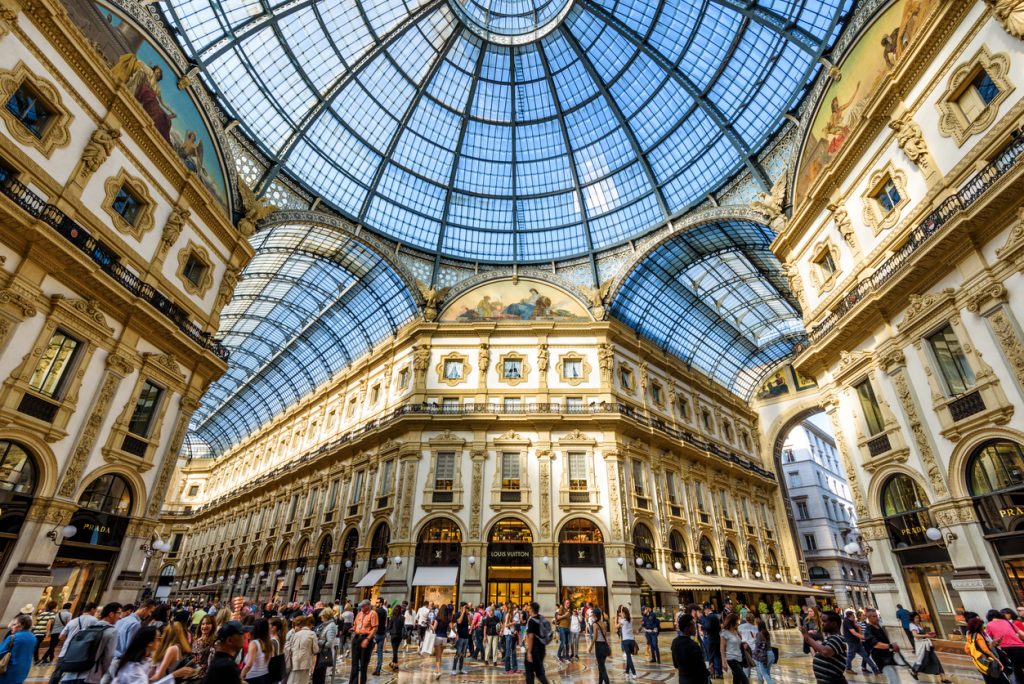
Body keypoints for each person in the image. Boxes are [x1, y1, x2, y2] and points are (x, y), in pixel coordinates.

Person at [60, 602, 120, 684]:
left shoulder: (87, 628)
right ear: (111, 614)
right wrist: (103, 674)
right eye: (118, 613)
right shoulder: (112, 631)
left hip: (69, 675)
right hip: (89, 676)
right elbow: (108, 657)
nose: (119, 617)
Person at [800, 610, 847, 684]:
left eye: (824, 621)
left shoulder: (838, 638)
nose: (822, 624)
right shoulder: (831, 638)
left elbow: (826, 652)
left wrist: (808, 638)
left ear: (834, 624)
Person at [908, 611, 950, 684]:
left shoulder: (918, 626)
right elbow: (915, 635)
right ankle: (914, 672)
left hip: (927, 646)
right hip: (922, 648)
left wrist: (928, 635)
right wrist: (926, 635)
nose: (917, 619)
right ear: (912, 619)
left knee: (936, 660)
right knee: (922, 661)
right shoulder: (912, 625)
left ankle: (943, 678)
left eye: (918, 617)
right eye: (915, 618)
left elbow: (922, 635)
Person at [985, 608, 1024, 683]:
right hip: (1021, 647)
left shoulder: (989, 625)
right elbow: (1021, 633)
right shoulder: (1007, 622)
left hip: (1007, 650)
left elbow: (989, 642)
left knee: (1016, 671)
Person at [862, 609, 899, 684]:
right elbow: (876, 644)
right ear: (869, 618)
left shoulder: (878, 626)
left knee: (894, 676)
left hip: (887, 654)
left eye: (877, 616)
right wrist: (891, 646)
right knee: (891, 677)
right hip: (880, 657)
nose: (877, 618)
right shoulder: (868, 630)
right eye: (874, 616)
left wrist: (891, 647)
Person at [0, 615, 38, 684]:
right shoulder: (33, 638)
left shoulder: (13, 637)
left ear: (20, 625)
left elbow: (1, 652)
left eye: (14, 624)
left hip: (9, 670)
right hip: (24, 670)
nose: (12, 627)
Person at [672, 614, 709, 684]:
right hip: (695, 680)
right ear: (687, 628)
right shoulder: (693, 646)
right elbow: (701, 668)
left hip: (682, 679)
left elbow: (675, 664)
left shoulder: (675, 642)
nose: (695, 628)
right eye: (693, 626)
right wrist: (708, 671)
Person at [966, 616, 1005, 684]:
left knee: (989, 680)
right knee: (997, 680)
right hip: (989, 662)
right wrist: (997, 660)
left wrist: (992, 643)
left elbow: (967, 649)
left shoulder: (970, 635)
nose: (983, 627)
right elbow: (985, 650)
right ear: (978, 627)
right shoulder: (978, 636)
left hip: (980, 663)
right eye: (982, 626)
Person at [841, 609, 877, 675]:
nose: (854, 617)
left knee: (865, 656)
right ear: (849, 616)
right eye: (853, 616)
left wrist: (855, 623)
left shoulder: (852, 621)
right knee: (851, 656)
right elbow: (853, 632)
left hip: (856, 641)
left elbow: (858, 628)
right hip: (852, 642)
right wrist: (863, 637)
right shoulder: (847, 621)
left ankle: (875, 670)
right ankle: (848, 668)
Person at [347, 601, 376, 684]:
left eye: (363, 607)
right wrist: (353, 628)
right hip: (356, 638)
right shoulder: (359, 613)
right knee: (354, 663)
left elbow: (374, 628)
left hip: (366, 639)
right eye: (361, 607)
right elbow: (356, 625)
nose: (361, 608)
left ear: (368, 606)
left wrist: (367, 639)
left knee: (363, 664)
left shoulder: (372, 613)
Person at [183, 616, 216, 683]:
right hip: (191, 674)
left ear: (213, 626)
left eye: (208, 623)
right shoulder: (195, 640)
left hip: (203, 677)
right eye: (203, 624)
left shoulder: (214, 642)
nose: (204, 626)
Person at [285, 616, 318, 684]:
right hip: (306, 661)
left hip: (294, 660)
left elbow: (288, 647)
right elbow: (316, 650)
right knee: (303, 681)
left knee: (293, 679)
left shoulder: (295, 634)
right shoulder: (312, 634)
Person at [524, 602, 550, 684]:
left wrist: (529, 652)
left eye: (529, 608)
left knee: (529, 673)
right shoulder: (541, 618)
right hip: (542, 649)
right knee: (539, 672)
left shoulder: (532, 621)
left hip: (534, 650)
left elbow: (531, 637)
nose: (528, 609)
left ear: (532, 609)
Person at [241, 619, 273, 684]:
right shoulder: (269, 643)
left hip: (252, 678)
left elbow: (249, 664)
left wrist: (240, 676)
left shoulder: (254, 643)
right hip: (265, 676)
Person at [720, 612, 748, 684]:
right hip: (731, 659)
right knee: (745, 680)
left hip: (740, 658)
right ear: (732, 622)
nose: (738, 623)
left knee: (737, 680)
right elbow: (722, 648)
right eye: (737, 621)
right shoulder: (724, 632)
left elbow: (739, 643)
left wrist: (744, 644)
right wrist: (724, 662)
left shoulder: (736, 631)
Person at [312, 608, 337, 684]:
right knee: (317, 673)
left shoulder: (331, 626)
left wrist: (317, 640)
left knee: (320, 673)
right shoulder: (325, 624)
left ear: (326, 616)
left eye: (322, 616)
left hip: (324, 652)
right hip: (320, 651)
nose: (321, 618)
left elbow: (329, 643)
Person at [702, 603, 723, 678]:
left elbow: (708, 627)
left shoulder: (709, 617)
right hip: (717, 638)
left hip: (711, 639)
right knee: (718, 655)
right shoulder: (716, 616)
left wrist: (702, 627)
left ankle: (712, 673)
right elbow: (719, 627)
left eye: (705, 610)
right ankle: (720, 673)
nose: (704, 612)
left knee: (711, 656)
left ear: (707, 609)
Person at [33, 600, 57, 665]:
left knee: (36, 645)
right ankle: (36, 660)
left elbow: (36, 622)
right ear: (54, 607)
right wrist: (48, 632)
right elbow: (49, 623)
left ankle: (36, 659)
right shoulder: (52, 614)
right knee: (36, 645)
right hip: (42, 631)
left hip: (36, 630)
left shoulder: (42, 613)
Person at [429, 604, 449, 680]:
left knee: (437, 656)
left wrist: (430, 625)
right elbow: (450, 627)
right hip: (444, 638)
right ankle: (436, 671)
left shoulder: (438, 618)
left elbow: (434, 628)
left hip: (438, 637)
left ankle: (439, 672)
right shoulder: (447, 619)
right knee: (440, 656)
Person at [617, 606, 637, 679]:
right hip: (632, 641)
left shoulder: (622, 621)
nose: (621, 614)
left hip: (626, 641)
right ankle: (627, 672)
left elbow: (616, 627)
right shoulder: (630, 620)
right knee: (628, 657)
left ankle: (634, 672)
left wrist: (617, 618)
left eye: (622, 613)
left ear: (624, 613)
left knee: (629, 657)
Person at [371, 601, 387, 677]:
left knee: (368, 651)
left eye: (377, 602)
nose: (376, 603)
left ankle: (362, 667)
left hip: (376, 633)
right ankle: (378, 670)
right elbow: (385, 622)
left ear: (380, 603)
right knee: (380, 652)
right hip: (382, 633)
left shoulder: (375, 611)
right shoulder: (385, 611)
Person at [386, 604, 404, 672]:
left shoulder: (392, 617)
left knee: (395, 650)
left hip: (393, 635)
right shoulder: (402, 618)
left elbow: (389, 627)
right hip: (399, 636)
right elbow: (402, 626)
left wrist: (389, 631)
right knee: (395, 650)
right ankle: (394, 664)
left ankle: (395, 664)